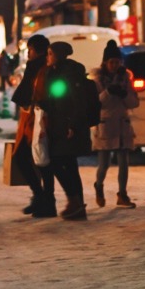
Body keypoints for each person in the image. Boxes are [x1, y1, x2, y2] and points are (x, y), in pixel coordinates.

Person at [39, 40, 97, 221]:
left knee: (56, 162)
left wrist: (72, 125)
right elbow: (56, 98)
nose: (47, 57)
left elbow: (76, 102)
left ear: (58, 55)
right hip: (59, 125)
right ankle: (77, 207)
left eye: (50, 53)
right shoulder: (56, 72)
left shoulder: (69, 73)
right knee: (70, 166)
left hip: (67, 127)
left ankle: (75, 202)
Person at [10, 34, 55, 217]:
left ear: (37, 51)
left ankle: (45, 200)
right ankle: (41, 197)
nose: (28, 54)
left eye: (30, 50)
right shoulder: (38, 67)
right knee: (32, 159)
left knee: (41, 161)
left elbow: (32, 95)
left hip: (37, 121)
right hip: (30, 122)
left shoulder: (40, 69)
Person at [91, 40, 138, 208]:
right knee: (104, 164)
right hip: (105, 124)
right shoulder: (98, 80)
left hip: (122, 124)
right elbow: (96, 103)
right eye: (111, 62)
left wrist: (124, 94)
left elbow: (134, 103)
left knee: (123, 162)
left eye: (117, 62)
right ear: (105, 63)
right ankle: (99, 185)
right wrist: (108, 93)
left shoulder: (125, 78)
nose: (114, 65)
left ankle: (122, 194)